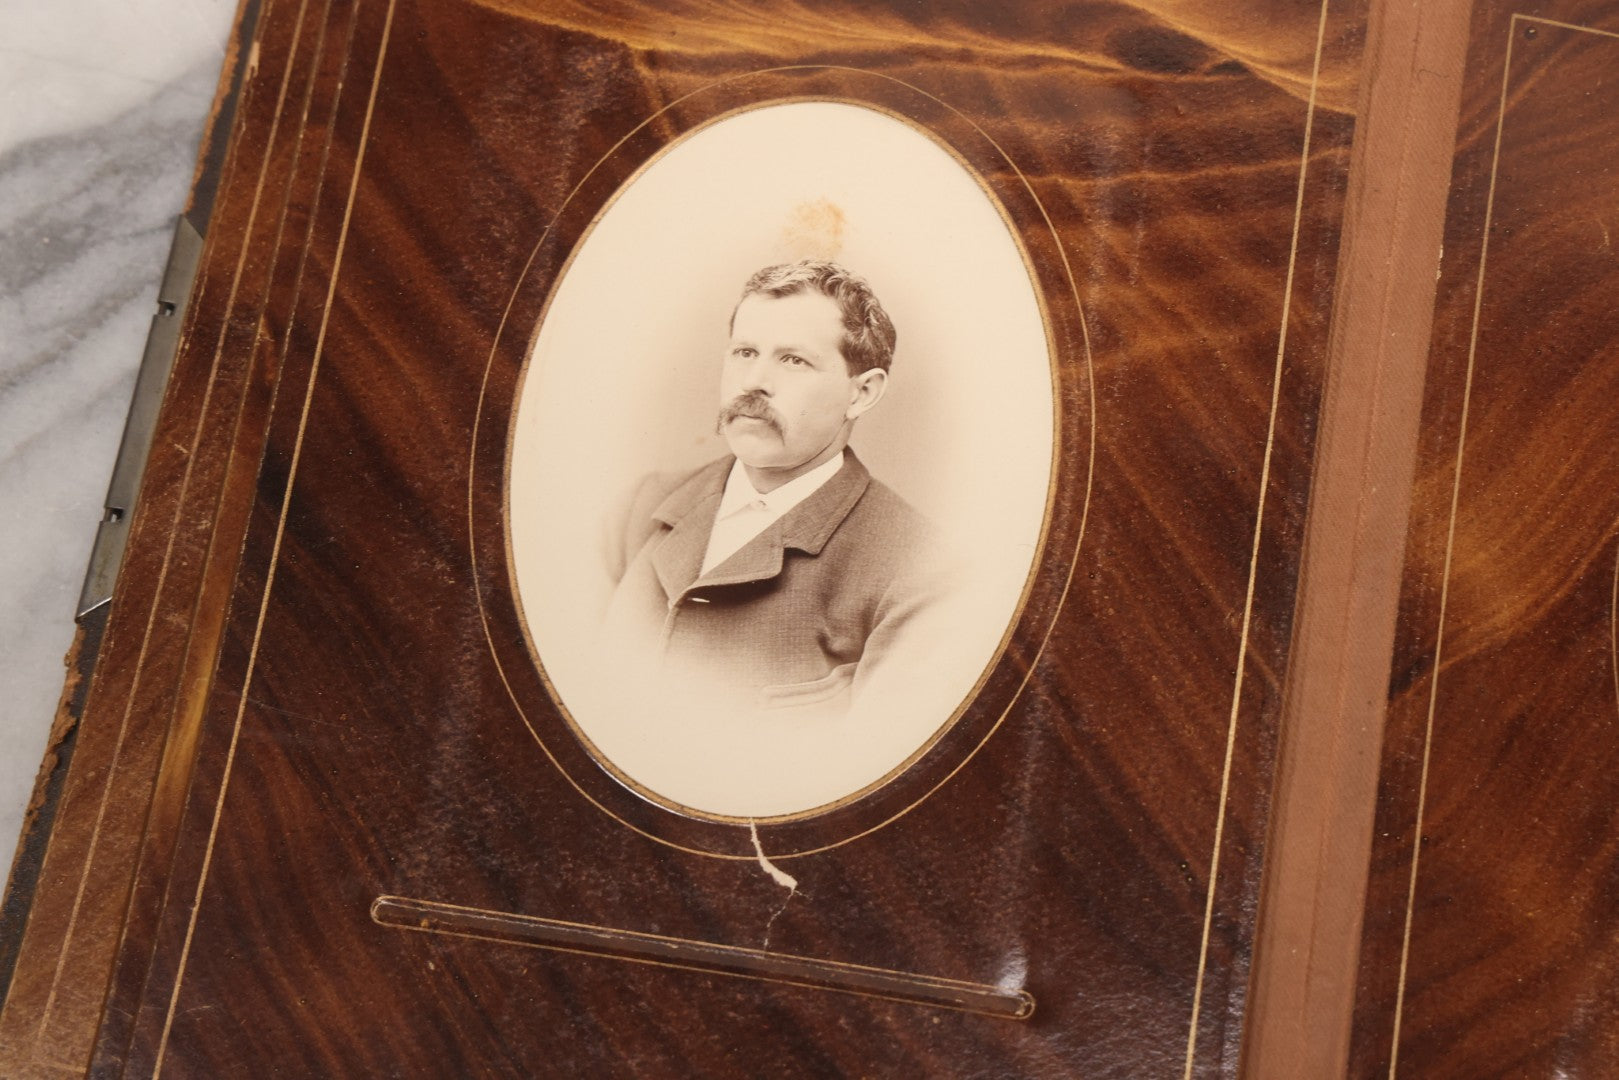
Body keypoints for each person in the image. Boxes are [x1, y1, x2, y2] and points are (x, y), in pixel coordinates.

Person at [599, 260, 944, 720]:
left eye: (793, 360)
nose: (753, 382)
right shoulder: (641, 508)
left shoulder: (918, 570)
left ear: (861, 393)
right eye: (744, 352)